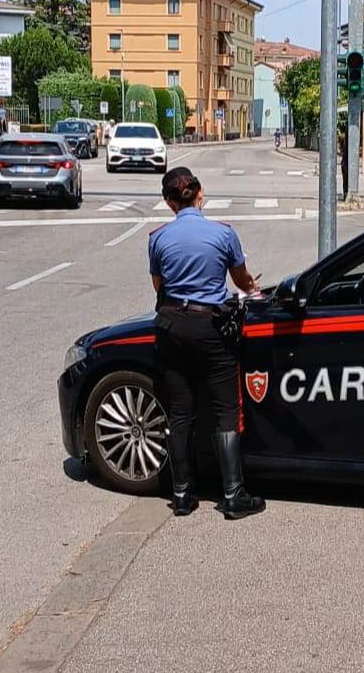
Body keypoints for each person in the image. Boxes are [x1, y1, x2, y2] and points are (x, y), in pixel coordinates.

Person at [149, 166, 266, 520]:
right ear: (201, 195)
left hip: (172, 325)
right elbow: (241, 278)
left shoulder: (157, 238)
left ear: (170, 202)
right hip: (210, 326)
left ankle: (182, 494)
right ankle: (233, 495)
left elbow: (159, 286)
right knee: (225, 408)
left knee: (180, 411)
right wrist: (254, 291)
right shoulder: (223, 234)